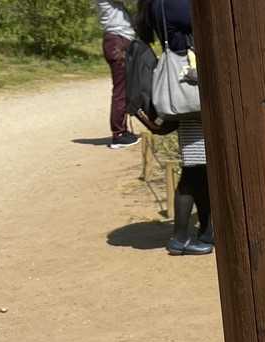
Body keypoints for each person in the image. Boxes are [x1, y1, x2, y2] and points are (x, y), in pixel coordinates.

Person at [135, 0, 212, 256]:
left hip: (188, 92)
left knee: (199, 167)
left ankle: (207, 230)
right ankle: (180, 237)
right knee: (194, 168)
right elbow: (206, 21)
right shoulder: (172, 2)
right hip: (189, 90)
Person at [92, 0, 139, 149]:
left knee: (124, 89)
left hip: (118, 41)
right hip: (117, 41)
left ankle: (121, 131)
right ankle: (118, 134)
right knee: (121, 91)